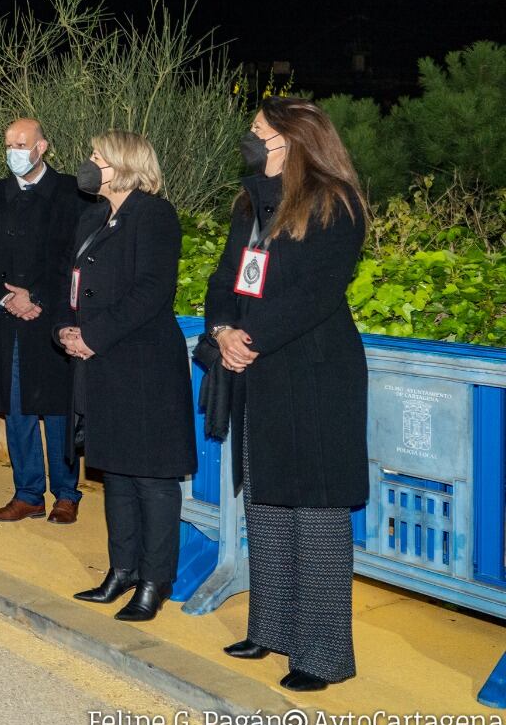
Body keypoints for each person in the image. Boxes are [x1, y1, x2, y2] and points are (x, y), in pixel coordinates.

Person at [204, 97, 368, 692]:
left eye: (258, 133)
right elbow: (226, 279)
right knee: (267, 501)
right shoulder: (253, 203)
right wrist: (223, 330)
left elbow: (317, 293)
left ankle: (322, 655)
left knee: (316, 510)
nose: (249, 141)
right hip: (258, 367)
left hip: (316, 372)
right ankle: (270, 628)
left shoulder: (335, 202)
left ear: (293, 141)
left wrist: (251, 337)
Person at [55, 131, 193, 623]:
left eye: (96, 157)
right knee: (115, 473)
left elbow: (152, 291)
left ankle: (155, 580)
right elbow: (72, 286)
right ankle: (122, 570)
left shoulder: (154, 215)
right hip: (101, 362)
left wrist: (95, 336)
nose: (88, 165)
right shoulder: (93, 216)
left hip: (144, 361)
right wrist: (67, 329)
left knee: (152, 477)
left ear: (122, 164)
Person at [0, 119, 84, 523]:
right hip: (8, 322)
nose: (14, 150)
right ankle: (28, 493)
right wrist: (4, 296)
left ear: (42, 147)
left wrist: (36, 297)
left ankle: (66, 493)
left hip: (53, 320)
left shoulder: (70, 193)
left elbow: (75, 256)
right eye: (8, 143)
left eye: (21, 143)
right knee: (16, 409)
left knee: (56, 410)